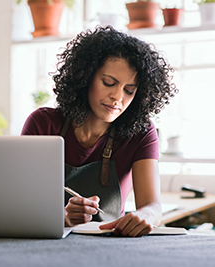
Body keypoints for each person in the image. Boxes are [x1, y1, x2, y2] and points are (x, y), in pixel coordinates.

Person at [21, 26, 177, 237]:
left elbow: (152, 206)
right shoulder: (43, 124)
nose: (117, 97)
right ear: (85, 77)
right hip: (50, 243)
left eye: (129, 90)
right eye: (109, 83)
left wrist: (146, 216)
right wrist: (62, 217)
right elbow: (23, 204)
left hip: (111, 245)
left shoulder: (141, 132)